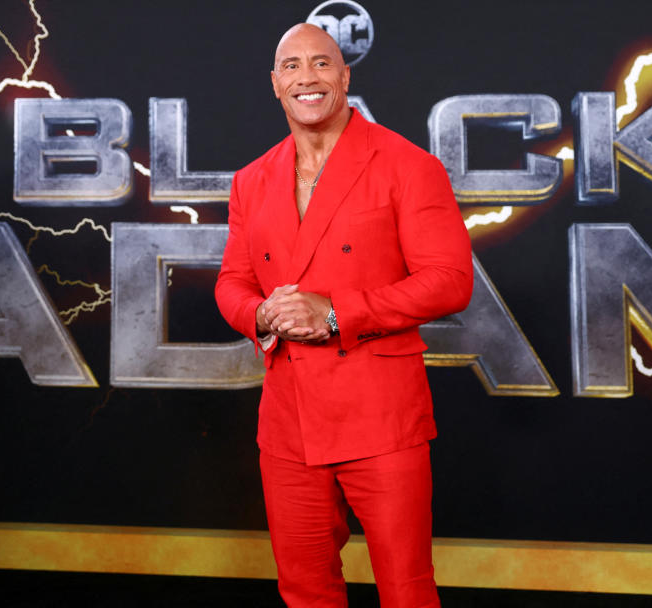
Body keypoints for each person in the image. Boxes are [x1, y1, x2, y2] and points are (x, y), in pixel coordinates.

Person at [214, 23, 473, 607]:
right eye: (292, 66)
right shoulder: (250, 181)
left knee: (406, 591)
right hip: (287, 426)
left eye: (322, 63)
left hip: (381, 419)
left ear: (345, 75)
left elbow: (451, 281)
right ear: (275, 84)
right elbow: (232, 283)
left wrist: (335, 314)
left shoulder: (408, 166)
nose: (308, 77)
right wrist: (262, 315)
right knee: (305, 590)